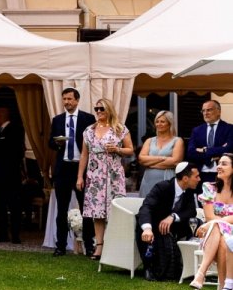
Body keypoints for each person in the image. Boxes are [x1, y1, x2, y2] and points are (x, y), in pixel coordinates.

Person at [76, 98, 133, 261]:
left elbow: (131, 150)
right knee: (97, 212)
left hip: (114, 173)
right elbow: (84, 155)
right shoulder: (88, 131)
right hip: (95, 175)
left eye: (102, 109)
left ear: (109, 110)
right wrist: (80, 176)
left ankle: (115, 245)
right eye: (97, 109)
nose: (99, 112)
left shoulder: (120, 129)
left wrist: (118, 149)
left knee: (115, 210)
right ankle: (99, 246)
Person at [48, 87, 96, 256]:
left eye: (69, 99)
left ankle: (90, 246)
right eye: (64, 99)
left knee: (86, 209)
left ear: (77, 100)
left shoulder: (88, 119)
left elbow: (93, 142)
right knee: (61, 209)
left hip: (81, 168)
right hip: (63, 168)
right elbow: (50, 143)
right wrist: (57, 143)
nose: (66, 102)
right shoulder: (57, 120)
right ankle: (60, 246)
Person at [135, 162, 200, 281]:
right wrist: (147, 228)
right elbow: (146, 207)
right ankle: (149, 268)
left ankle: (191, 266)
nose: (199, 179)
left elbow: (191, 212)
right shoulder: (162, 187)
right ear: (185, 178)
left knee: (197, 222)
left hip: (173, 225)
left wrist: (172, 217)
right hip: (154, 225)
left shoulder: (189, 190)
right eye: (196, 176)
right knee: (145, 230)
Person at [190, 153, 233, 290]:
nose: (219, 167)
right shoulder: (209, 188)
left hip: (230, 235)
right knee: (220, 235)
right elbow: (209, 217)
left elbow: (214, 220)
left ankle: (201, 273)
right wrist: (214, 222)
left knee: (223, 236)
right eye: (219, 163)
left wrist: (215, 221)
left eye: (224, 164)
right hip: (212, 237)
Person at [0, 107, 26, 244]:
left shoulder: (15, 129)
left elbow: (15, 151)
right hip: (0, 175)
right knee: (0, 205)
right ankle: (2, 232)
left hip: (11, 175)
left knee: (14, 206)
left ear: (0, 116)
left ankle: (15, 234)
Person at [138, 110, 184, 198]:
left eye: (162, 121)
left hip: (167, 179)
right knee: (146, 207)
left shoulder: (177, 141)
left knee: (165, 207)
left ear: (169, 123)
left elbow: (175, 161)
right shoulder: (149, 140)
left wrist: (150, 163)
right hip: (148, 180)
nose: (159, 124)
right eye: (157, 121)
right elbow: (141, 159)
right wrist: (162, 158)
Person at [186, 100, 233, 186]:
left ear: (219, 111)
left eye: (209, 110)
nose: (205, 113)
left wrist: (204, 150)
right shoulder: (197, 130)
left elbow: (228, 149)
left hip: (223, 174)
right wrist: (212, 157)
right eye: (203, 110)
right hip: (200, 175)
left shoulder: (229, 128)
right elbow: (190, 152)